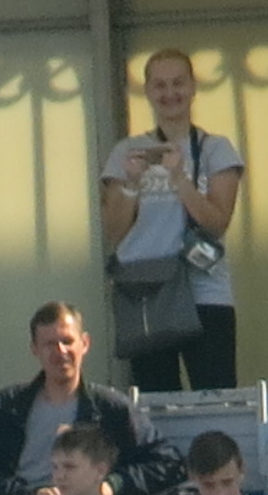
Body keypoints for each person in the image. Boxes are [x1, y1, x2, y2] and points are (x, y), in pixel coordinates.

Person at [101, 50, 244, 391]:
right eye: (160, 85)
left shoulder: (215, 149)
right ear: (148, 92)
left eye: (178, 83)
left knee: (216, 397)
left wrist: (180, 177)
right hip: (146, 292)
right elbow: (114, 231)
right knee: (154, 404)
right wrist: (133, 182)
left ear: (194, 87)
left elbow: (217, 223)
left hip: (204, 292)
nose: (170, 94)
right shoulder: (127, 151)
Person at [0, 304, 163, 495]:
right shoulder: (5, 407)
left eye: (67, 341)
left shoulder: (111, 409)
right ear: (34, 349)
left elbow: (164, 463)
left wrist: (113, 485)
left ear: (85, 343)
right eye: (49, 344)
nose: (60, 352)